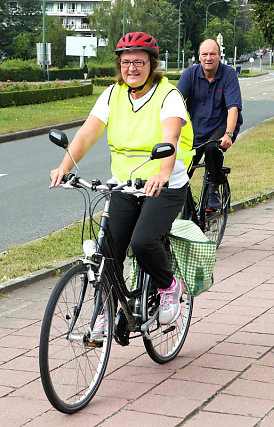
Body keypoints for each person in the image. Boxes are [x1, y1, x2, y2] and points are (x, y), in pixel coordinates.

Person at [50, 32, 194, 339]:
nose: (132, 68)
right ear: (119, 65)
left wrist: (163, 173)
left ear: (151, 64)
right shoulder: (112, 94)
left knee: (143, 241)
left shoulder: (168, 96)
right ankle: (104, 312)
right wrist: (64, 167)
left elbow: (170, 139)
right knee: (106, 252)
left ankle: (169, 285)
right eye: (126, 62)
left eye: (139, 62)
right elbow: (87, 134)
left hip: (163, 185)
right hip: (124, 186)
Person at [176, 39, 242, 209]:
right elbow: (175, 103)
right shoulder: (190, 74)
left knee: (212, 148)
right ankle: (187, 208)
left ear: (220, 56)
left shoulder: (228, 74)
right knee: (180, 172)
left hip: (222, 126)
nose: (208, 58)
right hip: (195, 129)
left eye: (213, 54)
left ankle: (214, 188)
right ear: (199, 57)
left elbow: (233, 107)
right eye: (204, 54)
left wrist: (229, 134)